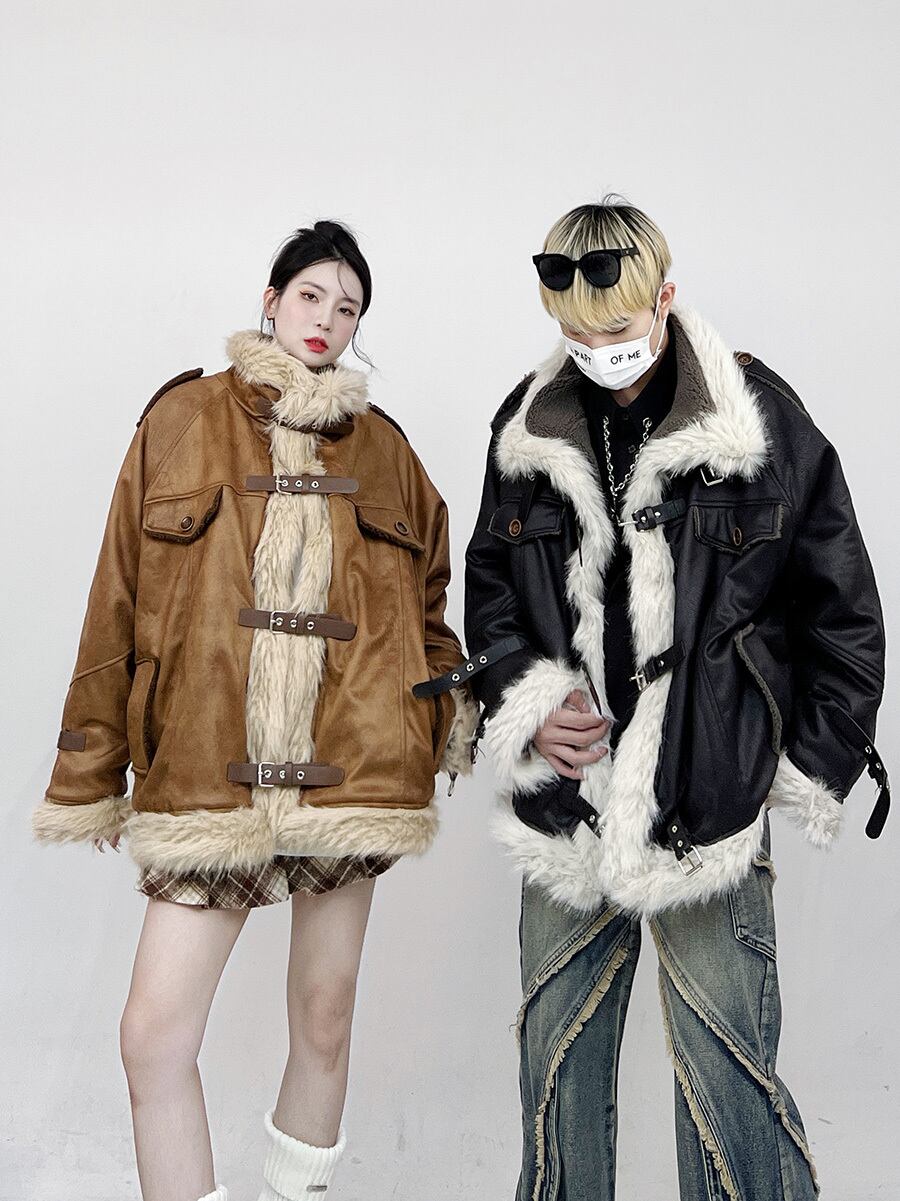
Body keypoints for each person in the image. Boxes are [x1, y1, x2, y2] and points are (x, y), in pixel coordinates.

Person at [33, 220, 477, 1201]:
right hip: (209, 768)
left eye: (348, 307)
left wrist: (433, 725)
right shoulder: (181, 420)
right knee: (153, 1035)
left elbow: (428, 608)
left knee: (325, 1014)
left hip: (351, 770)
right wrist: (91, 770)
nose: (327, 319)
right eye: (311, 295)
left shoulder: (387, 452)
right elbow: (116, 597)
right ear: (272, 299)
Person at [460, 197, 889, 1199]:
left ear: (665, 298)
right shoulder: (527, 427)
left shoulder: (758, 419)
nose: (600, 350)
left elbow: (844, 611)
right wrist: (529, 699)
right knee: (554, 1078)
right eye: (578, 332)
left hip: (707, 808)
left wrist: (792, 762)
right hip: (569, 806)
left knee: (731, 1082)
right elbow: (491, 591)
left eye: (618, 327)